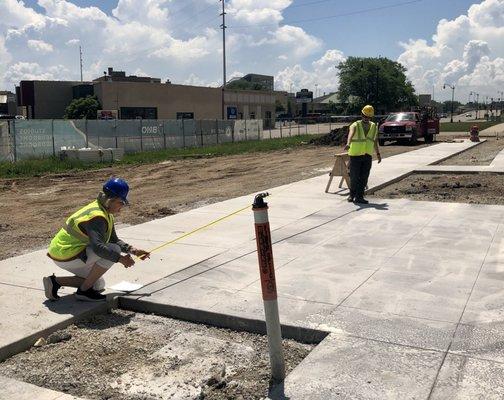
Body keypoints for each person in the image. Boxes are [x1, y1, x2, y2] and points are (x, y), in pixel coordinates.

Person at [43, 178, 150, 302]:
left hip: (66, 252)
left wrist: (133, 251)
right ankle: (84, 292)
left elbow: (113, 239)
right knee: (113, 250)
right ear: (111, 200)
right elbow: (98, 248)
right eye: (121, 202)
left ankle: (54, 282)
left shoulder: (103, 211)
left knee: (98, 284)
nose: (122, 206)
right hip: (67, 253)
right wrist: (121, 259)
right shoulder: (97, 217)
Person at [344, 105, 382, 204]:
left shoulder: (374, 126)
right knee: (354, 176)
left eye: (368, 117)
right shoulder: (355, 125)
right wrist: (348, 143)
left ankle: (359, 197)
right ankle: (352, 195)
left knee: (364, 177)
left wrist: (378, 153)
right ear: (362, 114)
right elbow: (351, 134)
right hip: (355, 155)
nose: (366, 118)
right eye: (365, 116)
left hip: (367, 155)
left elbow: (374, 140)